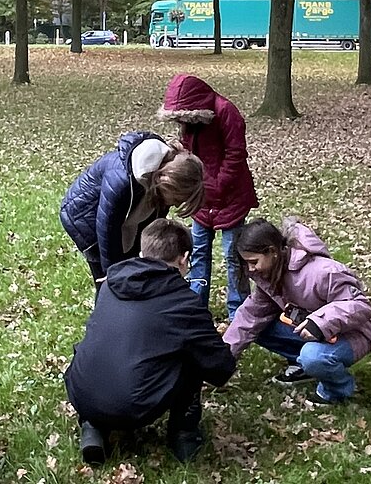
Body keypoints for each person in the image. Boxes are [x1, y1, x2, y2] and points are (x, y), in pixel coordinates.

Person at [64, 218, 236, 464]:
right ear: (184, 258)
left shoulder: (110, 283)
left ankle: (92, 426)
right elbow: (220, 368)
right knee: (193, 358)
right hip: (132, 406)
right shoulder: (184, 303)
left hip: (80, 392)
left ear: (143, 252)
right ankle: (184, 435)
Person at [222, 218, 371, 405]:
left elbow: (360, 305)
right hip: (314, 331)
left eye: (253, 261)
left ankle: (335, 391)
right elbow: (250, 317)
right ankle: (304, 366)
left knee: (313, 356)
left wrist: (320, 322)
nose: (250, 269)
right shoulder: (271, 275)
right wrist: (220, 359)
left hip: (352, 334)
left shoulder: (322, 271)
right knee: (258, 326)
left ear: (272, 252)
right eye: (246, 263)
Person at [157, 74, 258, 317]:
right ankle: (196, 306)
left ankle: (238, 311)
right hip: (201, 198)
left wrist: (216, 187)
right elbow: (191, 152)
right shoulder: (189, 121)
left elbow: (236, 154)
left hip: (230, 196)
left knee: (234, 255)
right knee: (198, 251)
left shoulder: (226, 112)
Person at [59, 131, 204, 291]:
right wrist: (113, 274)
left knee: (132, 270)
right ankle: (105, 311)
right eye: (177, 199)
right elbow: (107, 230)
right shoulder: (120, 180)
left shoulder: (162, 182)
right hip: (84, 217)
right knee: (108, 280)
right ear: (168, 182)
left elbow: (149, 234)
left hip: (123, 220)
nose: (176, 205)